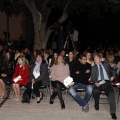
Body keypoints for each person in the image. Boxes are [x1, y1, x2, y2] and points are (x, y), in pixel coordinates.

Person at [91, 54, 117, 120]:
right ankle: (96, 104)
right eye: (94, 59)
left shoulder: (106, 64)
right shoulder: (93, 68)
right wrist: (96, 82)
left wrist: (113, 76)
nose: (95, 60)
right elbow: (93, 78)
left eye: (96, 59)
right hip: (99, 82)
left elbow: (113, 70)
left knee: (111, 93)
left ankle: (113, 112)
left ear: (100, 59)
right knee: (95, 91)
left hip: (107, 82)